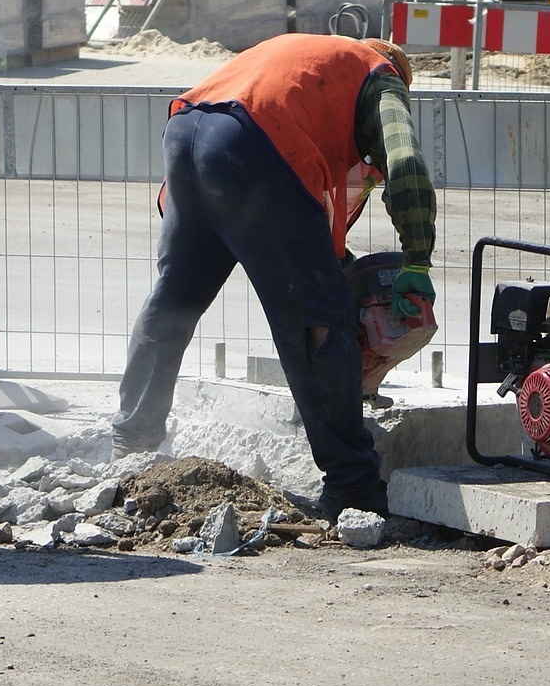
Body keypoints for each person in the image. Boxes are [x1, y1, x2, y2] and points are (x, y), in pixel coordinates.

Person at [113, 34, 437, 520]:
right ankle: (353, 485)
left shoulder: (308, 63)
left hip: (188, 134)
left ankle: (131, 449)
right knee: (317, 322)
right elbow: (405, 163)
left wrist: (329, 258)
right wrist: (417, 259)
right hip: (256, 144)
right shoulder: (381, 77)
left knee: (174, 301)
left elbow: (315, 204)